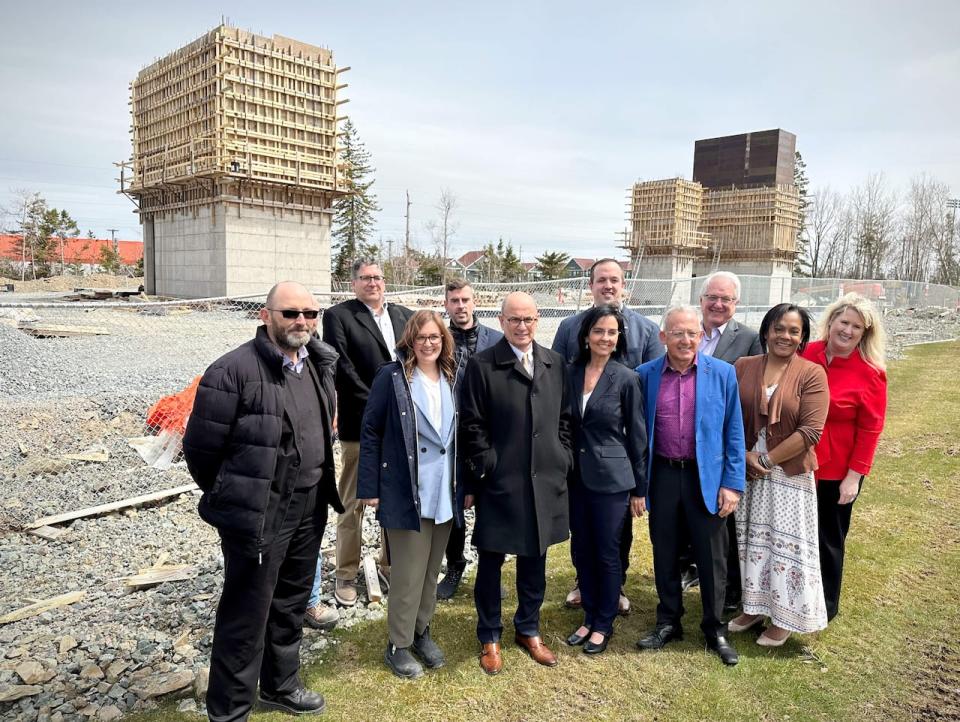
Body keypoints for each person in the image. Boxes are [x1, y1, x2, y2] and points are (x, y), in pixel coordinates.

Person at [183, 281, 343, 720]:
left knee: (291, 603)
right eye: (291, 313)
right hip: (259, 515)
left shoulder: (317, 364)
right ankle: (230, 710)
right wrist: (237, 499)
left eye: (310, 313)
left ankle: (280, 686)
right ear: (265, 315)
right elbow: (200, 451)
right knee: (246, 615)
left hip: (310, 508)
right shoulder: (231, 371)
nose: (302, 322)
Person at [460, 291, 574, 675]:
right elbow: (472, 424)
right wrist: (487, 464)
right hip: (500, 481)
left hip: (544, 480)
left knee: (534, 561)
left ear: (538, 320)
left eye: (528, 320)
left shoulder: (554, 362)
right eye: (514, 320)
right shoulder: (482, 365)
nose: (521, 327)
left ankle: (528, 628)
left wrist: (562, 456)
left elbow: (565, 418)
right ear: (502, 321)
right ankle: (489, 634)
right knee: (491, 562)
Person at [552, 258, 663, 614]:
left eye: (614, 280)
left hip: (617, 446)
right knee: (582, 527)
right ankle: (582, 583)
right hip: (579, 451)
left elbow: (648, 396)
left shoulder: (645, 330)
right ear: (591, 285)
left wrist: (638, 475)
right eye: (601, 280)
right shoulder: (570, 327)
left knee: (615, 530)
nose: (608, 286)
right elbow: (556, 380)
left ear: (624, 284)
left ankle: (617, 586)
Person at [635, 305, 744, 666]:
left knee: (712, 555)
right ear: (664, 336)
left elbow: (733, 431)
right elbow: (637, 436)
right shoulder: (645, 375)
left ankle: (715, 628)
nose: (685, 340)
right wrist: (638, 485)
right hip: (663, 475)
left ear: (701, 336)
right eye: (677, 333)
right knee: (664, 550)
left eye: (692, 333)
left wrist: (731, 483)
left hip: (707, 478)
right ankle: (668, 621)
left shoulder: (723, 374)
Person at [357, 311, 462, 679]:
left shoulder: (452, 376)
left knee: (432, 569)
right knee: (407, 572)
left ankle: (421, 631)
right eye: (422, 338)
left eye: (435, 337)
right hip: (407, 490)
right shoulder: (393, 377)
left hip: (444, 491)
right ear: (410, 341)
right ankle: (397, 644)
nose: (429, 343)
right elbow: (370, 431)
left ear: (444, 339)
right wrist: (370, 488)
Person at [729, 303, 830, 646]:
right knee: (750, 541)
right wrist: (744, 457)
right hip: (747, 469)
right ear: (766, 331)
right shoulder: (743, 366)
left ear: (802, 338)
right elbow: (725, 415)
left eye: (794, 331)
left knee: (786, 544)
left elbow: (810, 431)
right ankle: (753, 606)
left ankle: (785, 617)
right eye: (779, 328)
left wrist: (767, 460)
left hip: (786, 473)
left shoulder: (811, 373)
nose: (785, 336)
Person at [321, 259, 413, 607]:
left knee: (393, 497)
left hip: (401, 424)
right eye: (365, 278)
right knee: (352, 501)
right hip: (362, 424)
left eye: (377, 277)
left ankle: (390, 564)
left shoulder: (403, 315)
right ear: (353, 283)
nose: (372, 283)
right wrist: (381, 403)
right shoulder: (339, 316)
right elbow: (341, 367)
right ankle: (345, 573)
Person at [800, 293, 887, 621]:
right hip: (798, 462)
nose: (848, 330)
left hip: (837, 470)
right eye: (844, 322)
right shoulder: (808, 354)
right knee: (798, 535)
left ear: (865, 334)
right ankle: (793, 599)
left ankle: (824, 608)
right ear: (831, 322)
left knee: (828, 539)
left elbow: (870, 430)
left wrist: (855, 476)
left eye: (857, 327)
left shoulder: (870, 373)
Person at [565, 305, 647, 655]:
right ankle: (588, 615)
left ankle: (603, 622)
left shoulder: (626, 378)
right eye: (599, 331)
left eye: (612, 332)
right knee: (581, 550)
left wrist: (639, 490)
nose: (605, 338)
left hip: (612, 480)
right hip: (574, 477)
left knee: (606, 552)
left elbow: (638, 438)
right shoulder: (568, 373)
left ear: (618, 338)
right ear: (587, 335)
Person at [679, 271, 763, 604]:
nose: (717, 304)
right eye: (711, 297)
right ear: (701, 301)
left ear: (735, 304)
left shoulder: (749, 339)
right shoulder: (687, 330)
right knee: (684, 513)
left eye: (725, 299)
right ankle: (686, 569)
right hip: (683, 440)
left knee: (721, 519)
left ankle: (728, 588)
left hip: (720, 443)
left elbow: (754, 393)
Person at [436, 279, 503, 600]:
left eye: (465, 300)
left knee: (492, 505)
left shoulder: (496, 340)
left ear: (474, 302)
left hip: (488, 439)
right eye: (454, 300)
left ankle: (492, 568)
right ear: (446, 304)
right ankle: (455, 565)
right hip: (450, 441)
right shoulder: (437, 340)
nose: (460, 306)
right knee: (453, 509)